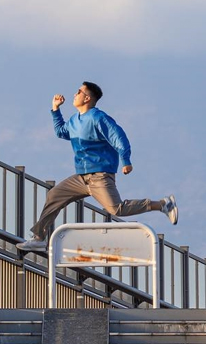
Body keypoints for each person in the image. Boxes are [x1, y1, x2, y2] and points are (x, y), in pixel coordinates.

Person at [17, 81, 178, 252]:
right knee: (54, 195)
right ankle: (39, 238)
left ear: (87, 98)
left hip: (100, 176)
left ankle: (163, 204)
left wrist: (126, 160)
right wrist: (55, 109)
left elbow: (119, 137)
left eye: (78, 92)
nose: (74, 94)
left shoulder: (98, 118)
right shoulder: (74, 120)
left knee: (117, 209)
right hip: (81, 177)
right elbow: (61, 132)